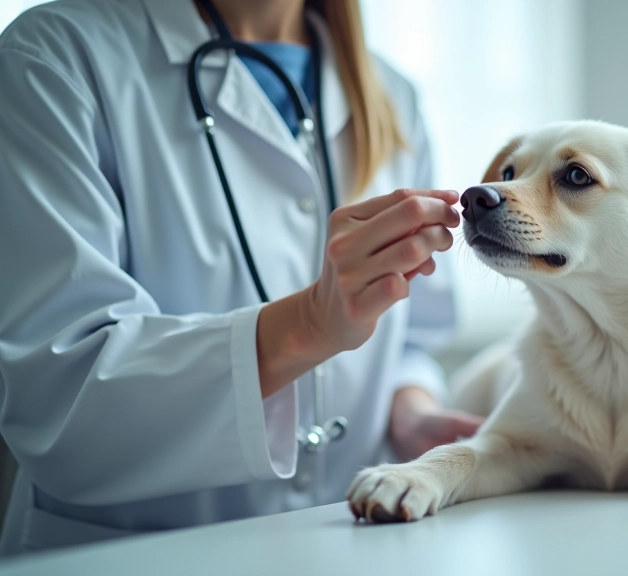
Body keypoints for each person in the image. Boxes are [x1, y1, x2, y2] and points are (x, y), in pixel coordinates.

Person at [0, 0, 483, 554]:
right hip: (134, 554)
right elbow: (61, 403)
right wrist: (307, 325)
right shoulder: (53, 58)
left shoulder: (392, 95)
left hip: (351, 550)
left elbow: (411, 338)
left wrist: (410, 413)